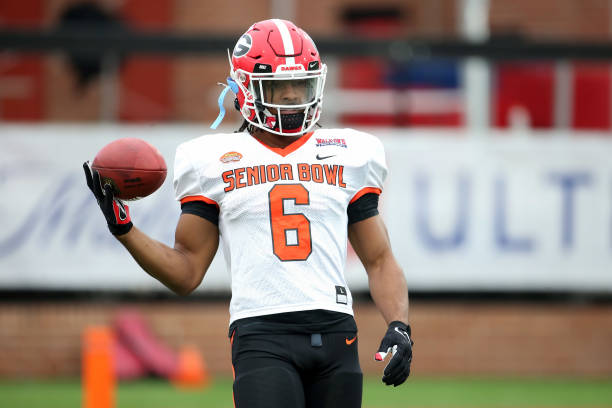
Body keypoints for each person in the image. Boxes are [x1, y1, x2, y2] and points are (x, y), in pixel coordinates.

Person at [83, 18, 412, 408]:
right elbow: (186, 272)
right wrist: (125, 230)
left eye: (300, 84)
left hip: (337, 331)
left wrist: (400, 325)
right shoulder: (212, 160)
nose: (291, 97)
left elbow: (378, 258)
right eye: (278, 85)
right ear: (244, 89)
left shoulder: (349, 151)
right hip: (262, 334)